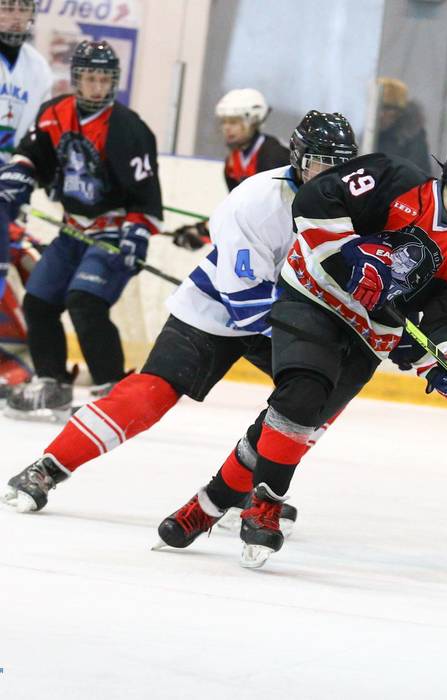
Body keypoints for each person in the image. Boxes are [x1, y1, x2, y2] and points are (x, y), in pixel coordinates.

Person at [1, 112, 359, 545]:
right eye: (322, 162)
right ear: (299, 159)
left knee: (319, 397)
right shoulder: (256, 201)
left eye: (341, 163)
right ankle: (47, 468)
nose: (332, 174)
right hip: (219, 306)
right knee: (151, 393)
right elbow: (246, 305)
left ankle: (253, 486)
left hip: (286, 312)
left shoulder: (356, 206)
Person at [219, 131, 447, 568]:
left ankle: (210, 503)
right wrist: (350, 258)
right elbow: (318, 201)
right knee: (299, 399)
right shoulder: (396, 180)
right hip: (315, 302)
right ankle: (253, 505)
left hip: (368, 337)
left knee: (306, 420)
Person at [0, 40, 163, 421]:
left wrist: (137, 233)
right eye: (89, 79)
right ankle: (53, 384)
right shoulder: (53, 114)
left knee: (84, 301)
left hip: (112, 231)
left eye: (103, 79)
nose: (96, 88)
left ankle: (111, 390)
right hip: (72, 231)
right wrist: (20, 172)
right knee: (38, 300)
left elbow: (146, 195)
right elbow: (31, 154)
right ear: (76, 79)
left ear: (114, 82)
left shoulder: (128, 128)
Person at [0, 0, 54, 398]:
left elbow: (35, 136)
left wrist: (24, 176)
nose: (15, 15)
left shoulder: (37, 68)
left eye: (21, 8)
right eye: (6, 7)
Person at [171, 88, 290, 251]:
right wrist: (202, 230)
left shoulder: (274, 156)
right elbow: (237, 210)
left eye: (233, 122)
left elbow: (268, 214)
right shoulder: (232, 163)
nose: (226, 128)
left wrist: (205, 230)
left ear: (253, 121)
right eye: (224, 122)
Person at [375, 77, 431, 175]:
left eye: (387, 109)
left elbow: (418, 175)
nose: (381, 114)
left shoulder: (412, 138)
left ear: (399, 112)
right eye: (378, 107)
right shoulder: (368, 136)